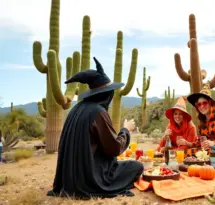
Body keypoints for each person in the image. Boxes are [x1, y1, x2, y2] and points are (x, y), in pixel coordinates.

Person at [47, 57, 143, 199]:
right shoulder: (98, 112)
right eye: (110, 92)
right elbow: (113, 149)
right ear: (106, 94)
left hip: (69, 180)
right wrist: (126, 130)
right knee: (136, 166)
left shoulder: (76, 109)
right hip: (90, 179)